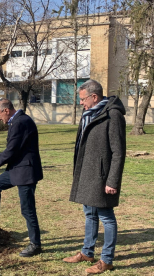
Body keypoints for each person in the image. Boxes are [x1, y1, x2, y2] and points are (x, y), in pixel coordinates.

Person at [62, 79, 126, 274]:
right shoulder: (88, 113)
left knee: (106, 217)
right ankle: (87, 252)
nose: (80, 103)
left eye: (82, 99)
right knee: (89, 214)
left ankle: (106, 260)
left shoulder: (112, 115)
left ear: (94, 97)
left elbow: (118, 152)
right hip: (87, 174)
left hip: (102, 177)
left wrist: (112, 181)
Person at [0, 98, 43, 257]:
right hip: (17, 169)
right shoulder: (16, 121)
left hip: (26, 172)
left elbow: (13, 148)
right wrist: (2, 157)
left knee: (27, 209)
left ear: (6, 110)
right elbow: (13, 148)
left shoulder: (20, 122)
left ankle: (35, 244)